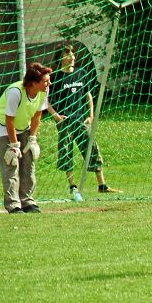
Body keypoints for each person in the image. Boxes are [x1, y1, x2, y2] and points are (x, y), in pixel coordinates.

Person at [47, 43, 120, 201]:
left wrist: (91, 115)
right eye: (68, 55)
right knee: (66, 153)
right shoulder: (55, 77)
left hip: (81, 120)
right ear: (61, 58)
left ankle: (102, 185)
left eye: (73, 55)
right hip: (65, 122)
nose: (72, 57)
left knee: (91, 149)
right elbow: (46, 101)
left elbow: (88, 95)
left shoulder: (81, 73)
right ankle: (73, 187)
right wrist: (56, 116)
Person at [0, 63, 52, 213]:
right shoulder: (15, 92)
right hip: (1, 124)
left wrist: (32, 139)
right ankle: (13, 205)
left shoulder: (44, 90)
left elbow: (37, 115)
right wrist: (14, 145)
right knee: (11, 161)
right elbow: (9, 120)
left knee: (28, 159)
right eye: (45, 81)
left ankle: (27, 201)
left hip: (23, 124)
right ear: (33, 83)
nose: (49, 83)